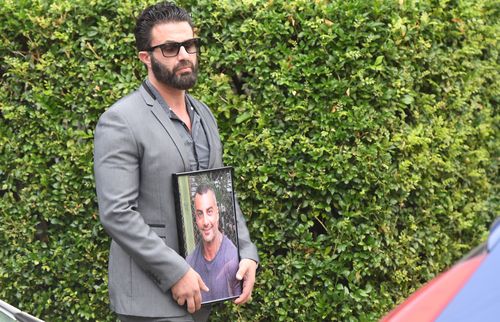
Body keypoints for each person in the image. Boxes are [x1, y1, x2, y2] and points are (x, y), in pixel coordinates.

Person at [93, 2, 259, 321]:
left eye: (190, 44)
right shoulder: (120, 121)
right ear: (146, 57)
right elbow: (116, 213)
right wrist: (175, 272)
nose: (184, 54)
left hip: (205, 291)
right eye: (170, 47)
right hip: (150, 301)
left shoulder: (204, 114)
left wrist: (246, 254)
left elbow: (220, 193)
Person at [186, 185, 240, 303]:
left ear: (217, 213)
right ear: (196, 219)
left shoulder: (233, 258)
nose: (205, 222)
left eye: (209, 212)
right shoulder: (189, 263)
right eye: (200, 214)